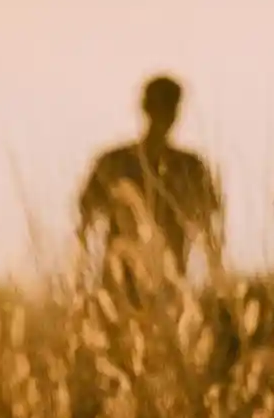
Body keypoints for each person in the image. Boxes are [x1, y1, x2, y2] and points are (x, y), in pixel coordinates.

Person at [76, 74, 224, 299]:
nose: (165, 115)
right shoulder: (116, 162)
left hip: (166, 286)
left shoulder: (189, 167)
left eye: (169, 106)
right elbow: (85, 220)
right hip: (122, 287)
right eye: (161, 106)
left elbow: (209, 228)